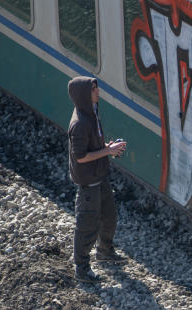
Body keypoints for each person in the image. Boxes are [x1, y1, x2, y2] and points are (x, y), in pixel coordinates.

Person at [67, 76, 127, 283]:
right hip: (89, 182)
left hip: (100, 176)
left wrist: (107, 148)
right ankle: (82, 269)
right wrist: (107, 151)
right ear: (84, 94)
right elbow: (81, 157)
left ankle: (105, 251)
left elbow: (94, 148)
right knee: (87, 225)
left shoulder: (91, 113)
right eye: (93, 89)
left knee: (109, 216)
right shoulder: (81, 124)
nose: (97, 91)